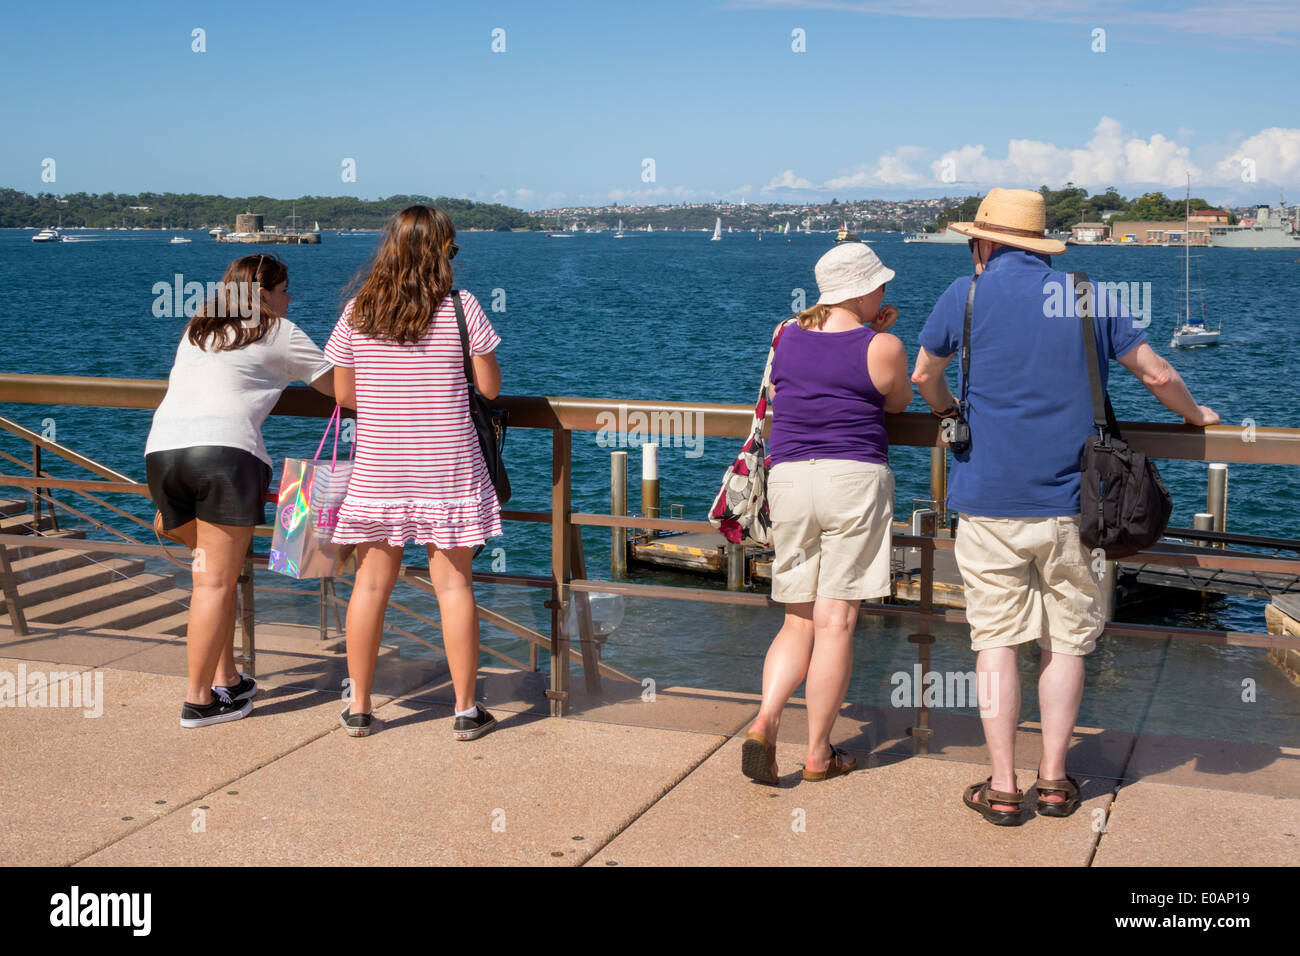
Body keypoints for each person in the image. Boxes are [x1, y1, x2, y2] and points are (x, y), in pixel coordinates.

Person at [911, 188, 1219, 825]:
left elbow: (922, 375)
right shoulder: (1084, 294)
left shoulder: (964, 295)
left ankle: (1002, 787)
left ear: (986, 243)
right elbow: (1156, 374)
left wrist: (948, 412)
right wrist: (1199, 417)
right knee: (1066, 645)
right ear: (1041, 247)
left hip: (989, 503)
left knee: (995, 644)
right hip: (1078, 504)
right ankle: (1054, 781)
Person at [325, 205, 503, 740]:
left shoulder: (358, 310)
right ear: (442, 252)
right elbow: (490, 389)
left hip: (381, 468)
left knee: (371, 586)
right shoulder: (461, 307)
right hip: (447, 468)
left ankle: (359, 706)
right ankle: (466, 710)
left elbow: (344, 394)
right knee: (454, 588)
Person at [741, 241, 912, 784]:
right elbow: (899, 403)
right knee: (836, 622)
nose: (886, 291)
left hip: (790, 480)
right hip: (853, 480)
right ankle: (818, 753)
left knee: (798, 618)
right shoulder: (883, 346)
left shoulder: (784, 335)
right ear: (865, 290)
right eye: (880, 284)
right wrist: (878, 332)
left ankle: (765, 719)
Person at [146, 253, 335, 728]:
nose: (291, 298)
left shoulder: (199, 329)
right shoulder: (280, 332)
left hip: (163, 455)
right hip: (225, 458)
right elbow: (343, 391)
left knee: (214, 575)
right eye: (286, 289)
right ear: (266, 294)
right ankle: (198, 701)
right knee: (212, 581)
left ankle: (228, 678)